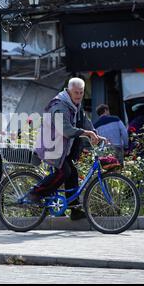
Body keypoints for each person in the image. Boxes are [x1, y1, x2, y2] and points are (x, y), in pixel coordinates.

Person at [29, 77, 105, 221]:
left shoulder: (75, 104)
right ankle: (36, 193)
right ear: (69, 91)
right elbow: (66, 130)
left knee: (73, 173)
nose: (79, 95)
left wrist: (96, 134)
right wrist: (87, 134)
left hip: (62, 149)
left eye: (81, 92)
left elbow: (85, 122)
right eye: (76, 93)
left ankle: (74, 210)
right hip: (50, 147)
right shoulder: (59, 106)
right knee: (65, 172)